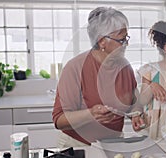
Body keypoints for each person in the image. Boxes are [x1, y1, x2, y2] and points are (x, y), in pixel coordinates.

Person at [52, 7, 144, 147]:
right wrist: (91, 114)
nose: (127, 44)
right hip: (78, 145)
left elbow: (134, 101)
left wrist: (136, 114)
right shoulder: (74, 68)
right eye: (122, 39)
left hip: (114, 143)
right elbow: (59, 120)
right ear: (102, 41)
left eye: (127, 38)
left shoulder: (125, 67)